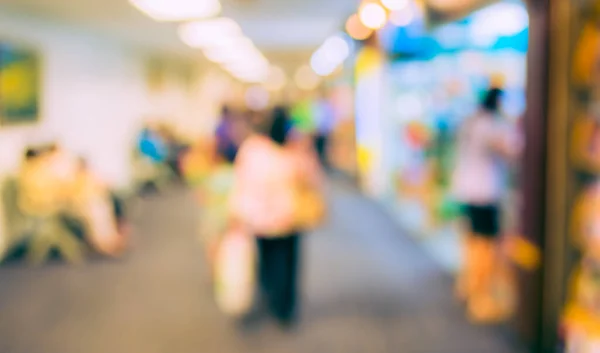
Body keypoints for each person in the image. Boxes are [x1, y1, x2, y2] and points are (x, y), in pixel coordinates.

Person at [231, 106, 323, 328]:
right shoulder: (295, 150)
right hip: (290, 218)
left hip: (261, 221)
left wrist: (237, 213)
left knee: (267, 261)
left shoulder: (253, 150)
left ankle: (270, 298)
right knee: (289, 264)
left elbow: (241, 183)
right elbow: (312, 178)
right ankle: (285, 308)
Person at [451, 86, 522, 323]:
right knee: (486, 245)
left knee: (472, 241)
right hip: (485, 192)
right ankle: (479, 297)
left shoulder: (472, 121)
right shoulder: (490, 125)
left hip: (468, 190)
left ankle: (468, 286)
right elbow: (509, 151)